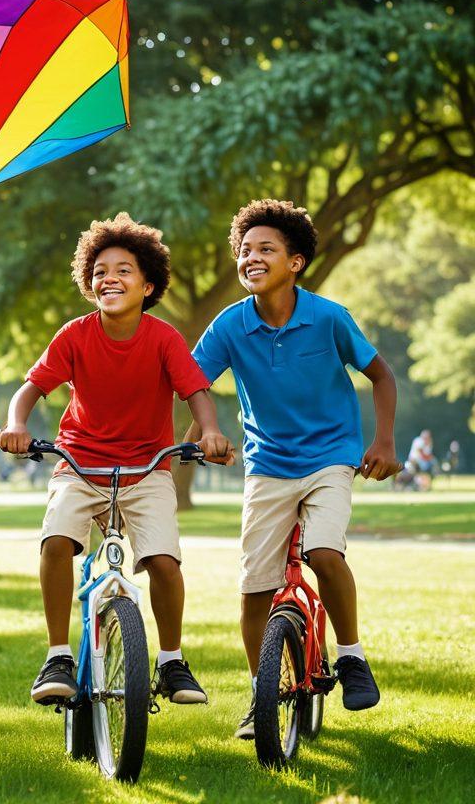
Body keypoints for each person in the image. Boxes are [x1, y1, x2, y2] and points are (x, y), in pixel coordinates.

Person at [0, 213, 233, 708]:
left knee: (164, 562)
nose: (111, 277)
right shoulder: (75, 335)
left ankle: (171, 660)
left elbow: (196, 393)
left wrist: (209, 431)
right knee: (57, 538)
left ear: (148, 285)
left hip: (147, 468)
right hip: (80, 462)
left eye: (125, 270)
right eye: (101, 270)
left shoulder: (164, 339)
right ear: (89, 284)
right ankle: (58, 654)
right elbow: (32, 390)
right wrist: (17, 424)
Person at [187, 199, 400, 740]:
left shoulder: (328, 316)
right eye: (244, 249)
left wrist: (383, 441)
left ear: (296, 261)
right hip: (267, 464)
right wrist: (189, 445)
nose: (250, 257)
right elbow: (194, 386)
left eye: (265, 249)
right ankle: (265, 693)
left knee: (324, 551)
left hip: (331, 457)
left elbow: (382, 376)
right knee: (254, 587)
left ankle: (351, 657)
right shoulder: (230, 324)